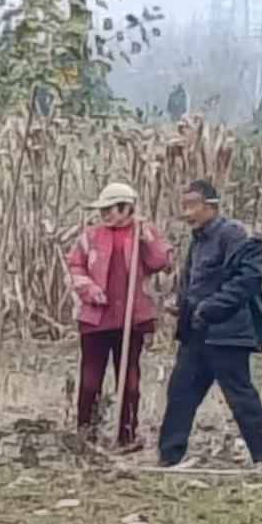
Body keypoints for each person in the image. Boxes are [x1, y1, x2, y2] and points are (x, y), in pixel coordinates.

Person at [157, 178, 262, 471]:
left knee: (240, 397)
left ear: (211, 206)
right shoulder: (198, 240)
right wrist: (181, 305)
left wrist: (211, 308)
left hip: (228, 333)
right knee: (181, 393)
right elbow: (195, 283)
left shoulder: (237, 236)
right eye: (184, 206)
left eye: (193, 205)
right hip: (197, 333)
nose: (187, 213)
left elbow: (247, 281)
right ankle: (169, 457)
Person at [65, 181, 172, 451]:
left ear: (126, 208)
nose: (104, 214)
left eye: (110, 209)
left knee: (130, 380)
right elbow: (75, 266)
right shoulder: (90, 236)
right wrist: (89, 289)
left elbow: (160, 262)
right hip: (96, 320)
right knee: (90, 379)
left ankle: (127, 435)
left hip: (131, 320)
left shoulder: (142, 234)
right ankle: (86, 433)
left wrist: (147, 236)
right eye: (102, 210)